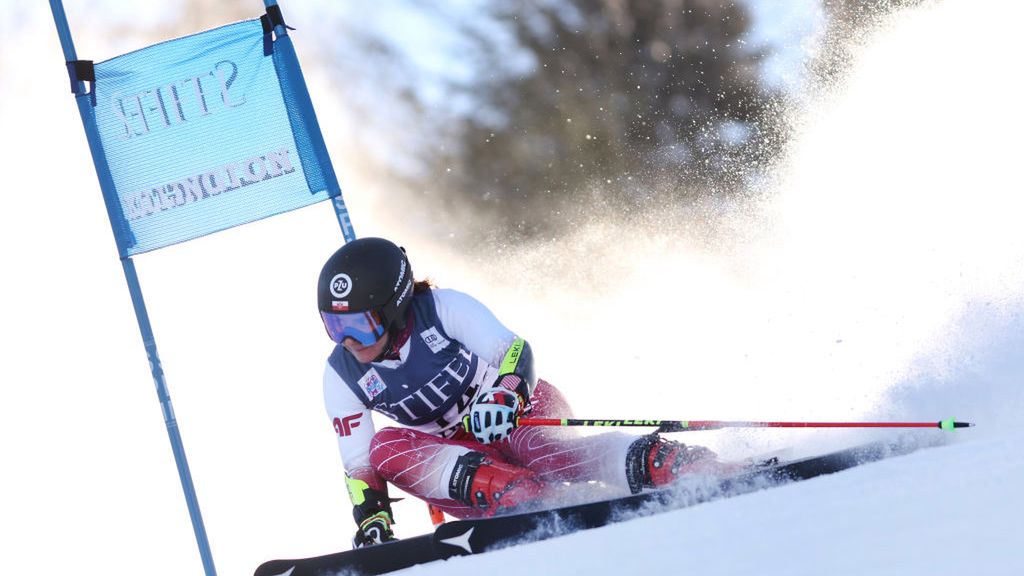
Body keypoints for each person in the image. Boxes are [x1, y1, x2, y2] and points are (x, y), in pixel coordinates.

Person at [319, 237, 731, 548]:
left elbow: (515, 351)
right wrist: (372, 517)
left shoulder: (444, 309)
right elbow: (358, 463)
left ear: (395, 306)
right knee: (384, 448)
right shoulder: (341, 375)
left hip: (517, 415)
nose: (350, 340)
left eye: (362, 324)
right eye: (336, 327)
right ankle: (523, 498)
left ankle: (664, 462)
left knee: (543, 450)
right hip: (466, 467)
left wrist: (506, 395)